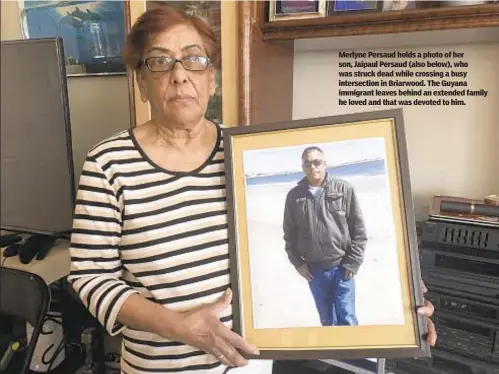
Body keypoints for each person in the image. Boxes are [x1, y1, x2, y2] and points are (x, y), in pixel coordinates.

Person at [67, 5, 436, 374]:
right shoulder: (108, 164)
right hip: (161, 368)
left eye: (194, 59)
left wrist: (401, 299)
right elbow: (89, 276)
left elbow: (300, 235)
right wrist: (177, 326)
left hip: (251, 363)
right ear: (141, 82)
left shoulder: (244, 152)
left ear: (211, 78)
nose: (179, 75)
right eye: (160, 62)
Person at [283, 146, 367, 326]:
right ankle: (335, 355)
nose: (313, 167)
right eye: (307, 163)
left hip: (342, 267)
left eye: (317, 162)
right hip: (314, 271)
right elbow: (289, 235)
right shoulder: (294, 196)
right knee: (326, 319)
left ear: (325, 164)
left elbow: (358, 230)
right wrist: (298, 263)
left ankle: (354, 354)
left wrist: (353, 262)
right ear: (302, 167)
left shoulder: (344, 189)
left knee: (347, 317)